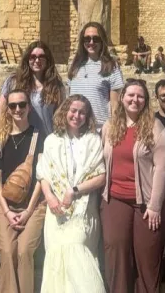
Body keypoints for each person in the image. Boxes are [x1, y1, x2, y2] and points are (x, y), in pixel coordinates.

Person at [101, 79, 165, 293]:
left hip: (148, 201)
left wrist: (155, 206)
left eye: (140, 96)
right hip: (115, 197)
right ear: (122, 97)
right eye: (131, 95)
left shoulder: (155, 128)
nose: (135, 100)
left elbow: (163, 168)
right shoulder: (109, 127)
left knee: (147, 256)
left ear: (146, 100)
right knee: (115, 250)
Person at [37, 95, 107, 293]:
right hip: (56, 211)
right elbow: (43, 174)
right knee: (56, 261)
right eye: (73, 110)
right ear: (65, 111)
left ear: (88, 116)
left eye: (82, 112)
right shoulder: (52, 140)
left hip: (83, 211)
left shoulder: (93, 140)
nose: (77, 116)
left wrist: (74, 191)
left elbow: (100, 176)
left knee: (78, 251)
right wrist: (50, 197)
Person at [0, 90, 47, 293]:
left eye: (22, 104)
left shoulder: (39, 137)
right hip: (5, 204)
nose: (17, 109)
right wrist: (7, 212)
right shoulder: (1, 138)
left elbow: (41, 177)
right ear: (7, 109)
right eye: (13, 105)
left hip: (33, 204)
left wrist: (28, 211)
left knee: (24, 251)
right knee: (7, 251)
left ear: (29, 107)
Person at [0, 40, 65, 137]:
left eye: (41, 57)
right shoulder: (13, 82)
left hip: (47, 140)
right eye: (33, 57)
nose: (37, 60)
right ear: (27, 59)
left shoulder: (56, 86)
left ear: (48, 60)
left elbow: (61, 117)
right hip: (20, 139)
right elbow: (0, 112)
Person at [68, 22, 125, 130]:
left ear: (102, 41)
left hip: (99, 128)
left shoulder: (111, 66)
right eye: (87, 39)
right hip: (75, 127)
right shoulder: (75, 65)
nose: (91, 42)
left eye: (96, 39)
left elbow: (115, 104)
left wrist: (114, 128)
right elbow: (70, 99)